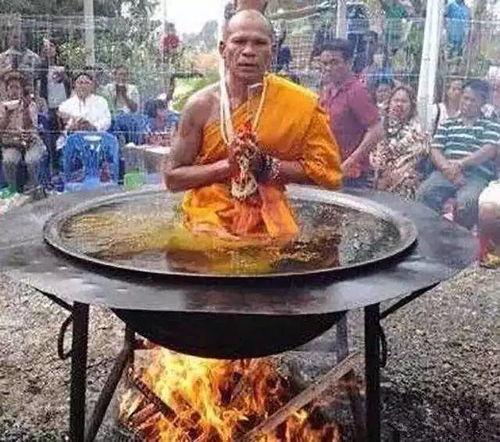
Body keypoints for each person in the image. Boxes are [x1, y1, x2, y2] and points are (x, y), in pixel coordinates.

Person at [164, 9, 342, 240]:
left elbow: (327, 173)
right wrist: (228, 167)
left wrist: (265, 165)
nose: (249, 51)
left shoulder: (301, 104)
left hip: (269, 217)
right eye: (239, 41)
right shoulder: (200, 106)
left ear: (272, 51)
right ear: (223, 49)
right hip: (207, 219)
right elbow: (173, 179)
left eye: (259, 43)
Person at [417, 80, 499, 229]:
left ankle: (460, 238)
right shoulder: (448, 123)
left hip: (476, 176)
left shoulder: (491, 124)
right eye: (465, 98)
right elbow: (435, 149)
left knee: (467, 203)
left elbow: (489, 150)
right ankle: (429, 233)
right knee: (425, 192)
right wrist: (447, 169)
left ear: (482, 102)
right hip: (445, 173)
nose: (467, 103)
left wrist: (460, 164)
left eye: (473, 100)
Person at [319, 39, 383, 187]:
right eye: (324, 63)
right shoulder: (328, 91)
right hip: (329, 169)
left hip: (351, 176)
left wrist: (352, 160)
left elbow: (376, 130)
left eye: (334, 62)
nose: (328, 68)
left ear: (349, 63)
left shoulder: (356, 91)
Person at [370, 85, 428, 199]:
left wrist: (391, 177)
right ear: (389, 103)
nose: (399, 104)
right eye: (396, 100)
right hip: (373, 180)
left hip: (402, 185)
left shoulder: (418, 133)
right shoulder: (377, 126)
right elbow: (372, 152)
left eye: (404, 101)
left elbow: (413, 159)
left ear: (411, 106)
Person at [0, 71, 45, 192]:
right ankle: (12, 190)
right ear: (7, 90)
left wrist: (25, 109)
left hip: (31, 141)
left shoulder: (30, 105)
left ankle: (33, 188)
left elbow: (31, 126)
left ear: (21, 90)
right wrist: (7, 115)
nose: (14, 91)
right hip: (11, 143)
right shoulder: (2, 107)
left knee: (32, 160)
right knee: (9, 160)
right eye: (11, 87)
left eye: (17, 88)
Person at [38, 38, 71, 170]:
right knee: (52, 136)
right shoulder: (41, 66)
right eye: (46, 46)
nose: (49, 48)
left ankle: (66, 164)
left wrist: (64, 77)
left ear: (56, 49)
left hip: (65, 104)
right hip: (50, 106)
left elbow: (71, 83)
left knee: (66, 133)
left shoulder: (63, 64)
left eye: (51, 45)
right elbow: (39, 87)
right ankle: (55, 166)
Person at [0, 30, 41, 99]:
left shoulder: (34, 58)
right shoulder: (2, 58)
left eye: (21, 37)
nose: (18, 40)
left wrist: (36, 97)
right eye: (15, 37)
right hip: (5, 98)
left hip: (28, 98)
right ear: (9, 39)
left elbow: (37, 81)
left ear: (25, 39)